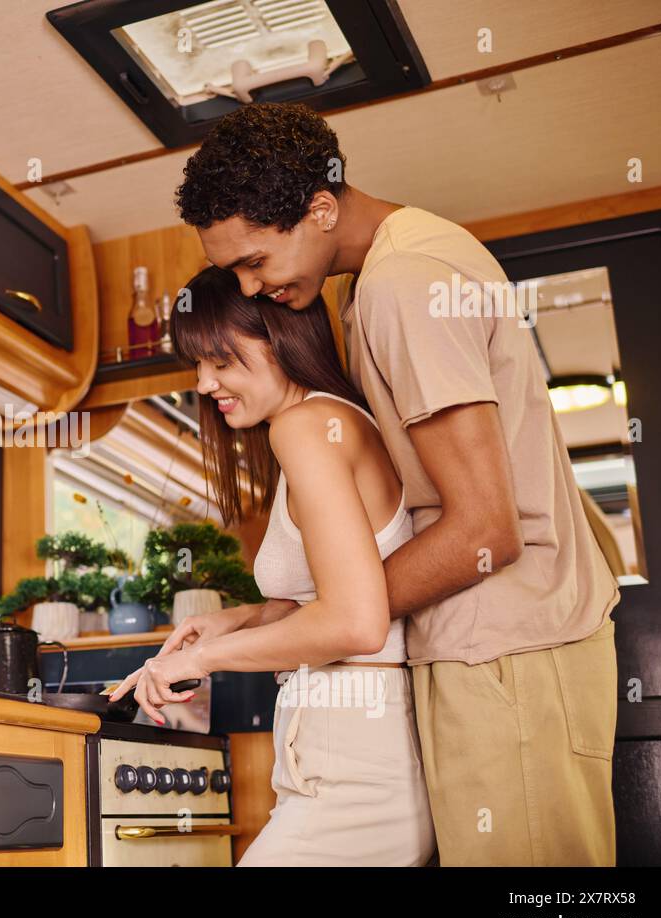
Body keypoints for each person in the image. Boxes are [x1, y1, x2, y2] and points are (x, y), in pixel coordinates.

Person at [161, 102, 619, 866]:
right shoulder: (387, 272)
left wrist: (326, 618)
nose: (249, 285)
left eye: (256, 262)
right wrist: (271, 620)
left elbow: (483, 530)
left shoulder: (405, 282)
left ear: (323, 207)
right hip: (492, 646)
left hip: (508, 646)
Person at [109, 266, 436, 866]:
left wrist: (200, 659)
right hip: (351, 752)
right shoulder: (328, 420)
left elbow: (356, 624)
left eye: (221, 360)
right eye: (197, 364)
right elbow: (337, 596)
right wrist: (240, 620)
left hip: (353, 766)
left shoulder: (306, 428)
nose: (205, 382)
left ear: (279, 336)